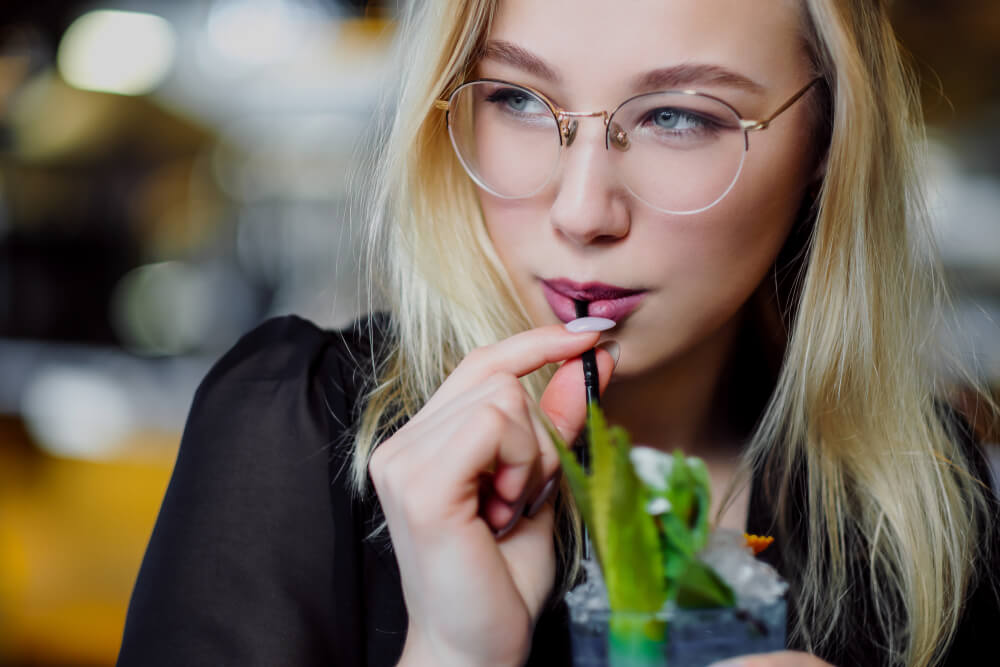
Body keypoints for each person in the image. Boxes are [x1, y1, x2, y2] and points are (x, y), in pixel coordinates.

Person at [117, 0, 1000, 665]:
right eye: (517, 99)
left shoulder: (926, 493)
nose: (581, 212)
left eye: (678, 116)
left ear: (827, 142)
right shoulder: (290, 431)